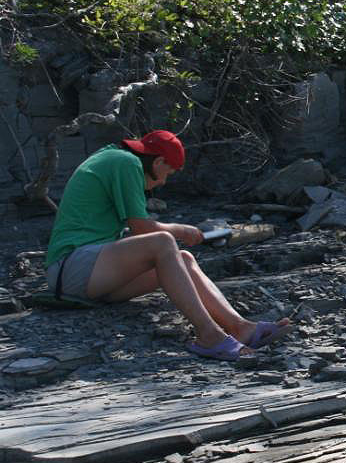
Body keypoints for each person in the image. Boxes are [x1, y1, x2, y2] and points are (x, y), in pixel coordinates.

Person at [44, 130, 291, 361]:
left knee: (183, 259)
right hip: (70, 269)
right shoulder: (125, 162)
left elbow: (135, 232)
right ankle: (209, 335)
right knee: (163, 242)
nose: (163, 182)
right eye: (168, 173)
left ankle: (240, 327)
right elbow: (141, 227)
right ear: (159, 161)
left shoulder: (115, 159)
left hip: (94, 278)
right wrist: (182, 230)